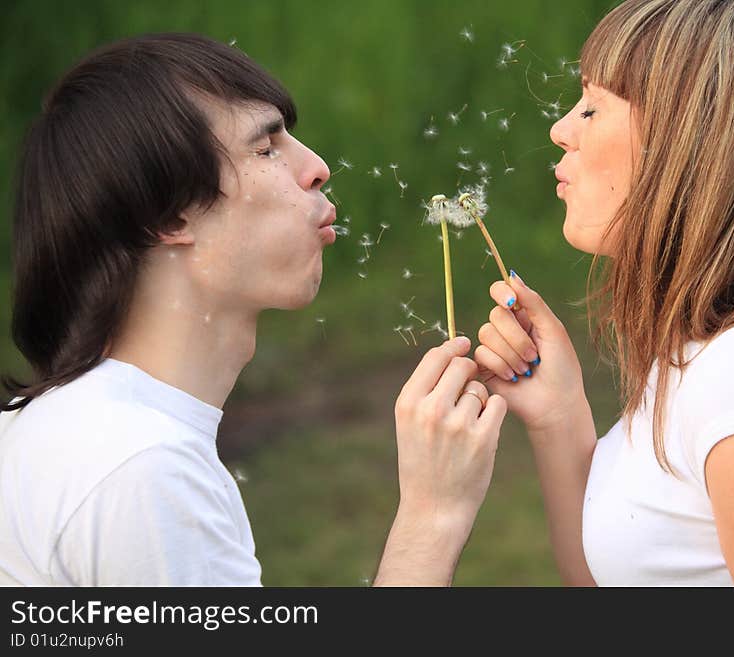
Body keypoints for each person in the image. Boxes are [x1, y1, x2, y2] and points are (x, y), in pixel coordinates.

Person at [0, 33, 505, 585]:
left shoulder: (70, 429)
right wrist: (432, 516)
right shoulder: (143, 473)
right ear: (167, 217)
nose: (315, 167)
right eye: (265, 149)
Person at [469, 0, 734, 585]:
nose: (560, 129)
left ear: (692, 141)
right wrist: (558, 415)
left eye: (593, 107)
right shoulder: (709, 354)